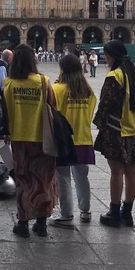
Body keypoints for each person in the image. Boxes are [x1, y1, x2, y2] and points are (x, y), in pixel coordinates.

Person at [3, 44, 58, 238]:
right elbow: (53, 107)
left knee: (23, 180)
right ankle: (42, 223)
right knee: (44, 180)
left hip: (19, 140)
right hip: (42, 139)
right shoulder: (43, 81)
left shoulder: (10, 84)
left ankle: (23, 223)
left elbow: (6, 112)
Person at [93, 40, 135, 227]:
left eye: (106, 55)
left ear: (112, 55)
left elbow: (107, 103)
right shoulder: (134, 73)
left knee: (117, 170)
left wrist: (98, 124)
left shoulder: (115, 75)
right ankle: (127, 212)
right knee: (131, 170)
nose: (105, 58)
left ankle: (114, 212)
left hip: (117, 129)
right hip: (134, 128)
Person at [48, 54, 97, 229]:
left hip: (64, 140)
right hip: (83, 137)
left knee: (63, 177)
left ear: (63, 69)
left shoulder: (57, 89)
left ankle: (67, 214)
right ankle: (85, 211)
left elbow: (51, 113)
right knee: (82, 177)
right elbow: (90, 113)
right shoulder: (88, 90)